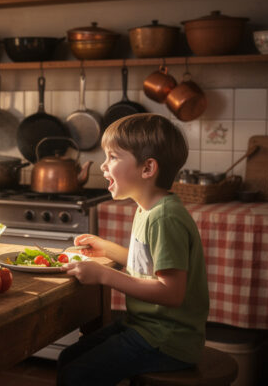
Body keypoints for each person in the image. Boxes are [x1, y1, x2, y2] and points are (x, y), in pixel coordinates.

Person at [57, 113, 209, 385]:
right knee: (69, 358)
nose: (103, 166)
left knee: (75, 374)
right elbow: (148, 266)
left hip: (167, 338)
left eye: (113, 157)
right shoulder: (148, 208)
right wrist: (107, 249)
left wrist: (104, 276)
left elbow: (171, 292)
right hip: (145, 327)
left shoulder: (165, 217)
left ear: (147, 169)